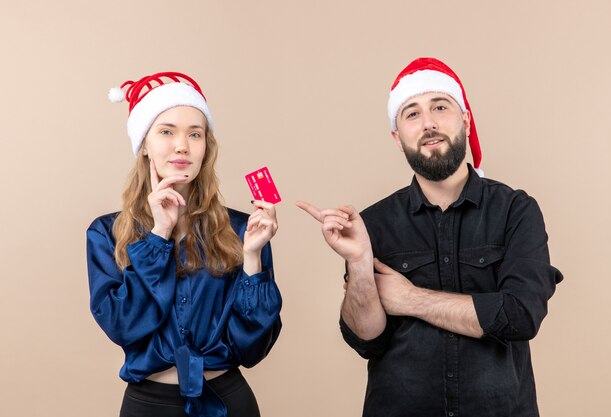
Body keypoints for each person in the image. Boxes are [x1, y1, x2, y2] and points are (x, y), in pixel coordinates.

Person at [297, 57, 563, 417]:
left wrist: (410, 299)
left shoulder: (515, 210)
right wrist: (359, 263)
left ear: (466, 119)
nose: (429, 124)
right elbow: (365, 339)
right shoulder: (372, 223)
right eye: (412, 114)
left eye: (440, 106)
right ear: (397, 137)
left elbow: (519, 315)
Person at [87, 72, 282, 417]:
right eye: (166, 131)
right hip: (148, 406)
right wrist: (159, 235)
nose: (182, 145)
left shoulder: (243, 230)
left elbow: (251, 350)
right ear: (144, 145)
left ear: (206, 147)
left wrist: (252, 257)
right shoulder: (107, 232)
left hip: (227, 401)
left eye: (196, 134)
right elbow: (122, 325)